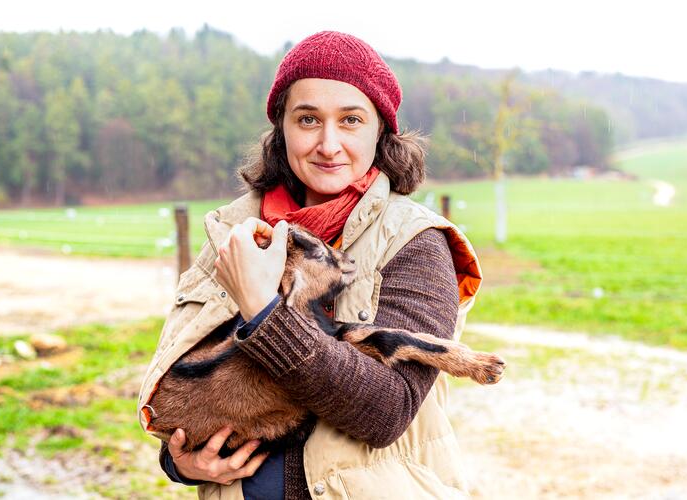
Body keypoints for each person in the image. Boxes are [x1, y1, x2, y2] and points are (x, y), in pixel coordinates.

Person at [137, 30, 482, 500]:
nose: (328, 143)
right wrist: (182, 461)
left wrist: (263, 313)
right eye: (308, 119)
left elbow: (386, 412)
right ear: (281, 128)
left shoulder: (416, 242)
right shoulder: (233, 233)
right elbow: (182, 380)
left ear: (380, 129)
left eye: (351, 120)